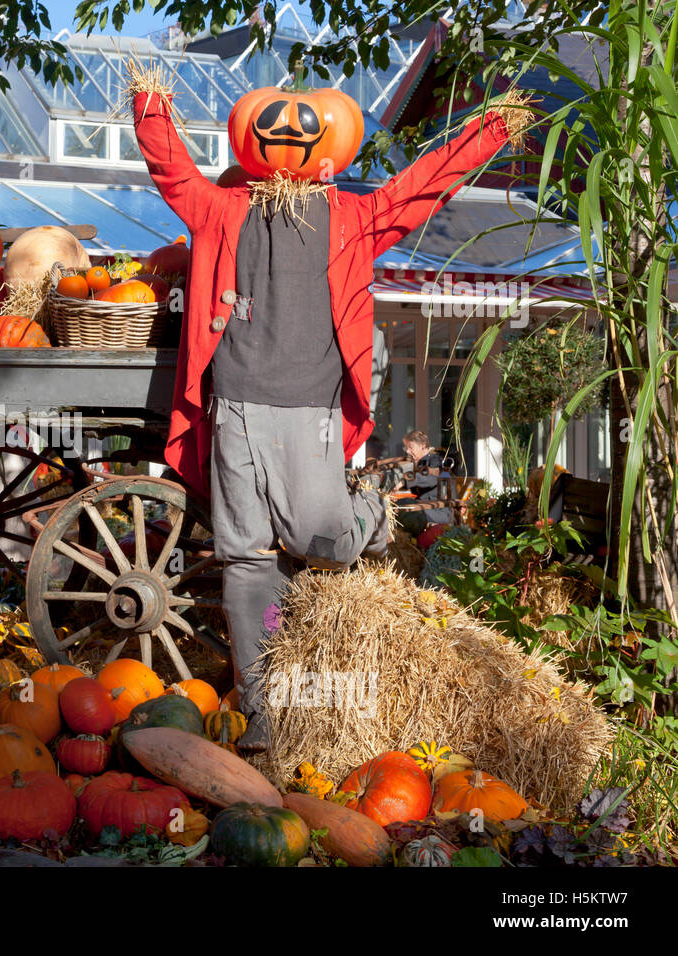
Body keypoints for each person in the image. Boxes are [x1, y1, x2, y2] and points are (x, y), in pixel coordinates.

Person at [132, 84, 523, 753]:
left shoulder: (353, 216)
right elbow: (173, 169)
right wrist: (150, 103)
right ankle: (265, 714)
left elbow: (423, 186)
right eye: (271, 123)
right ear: (248, 142)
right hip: (233, 409)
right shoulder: (220, 210)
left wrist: (490, 130)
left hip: (307, 410)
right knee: (246, 561)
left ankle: (368, 514)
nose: (287, 131)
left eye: (300, 126)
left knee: (324, 539)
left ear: (330, 147)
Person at [400, 430, 456, 530]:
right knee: (400, 505)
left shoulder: (437, 460)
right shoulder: (424, 462)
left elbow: (432, 479)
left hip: (441, 513)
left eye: (410, 447)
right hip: (430, 509)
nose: (407, 451)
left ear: (423, 445)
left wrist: (404, 482)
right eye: (406, 447)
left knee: (404, 511)